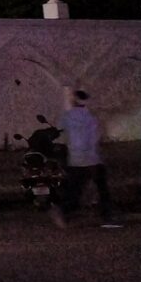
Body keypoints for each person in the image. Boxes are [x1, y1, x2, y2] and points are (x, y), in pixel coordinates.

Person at [52, 89, 119, 228]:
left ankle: (63, 210)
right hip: (93, 158)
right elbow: (98, 137)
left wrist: (61, 158)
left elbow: (59, 138)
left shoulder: (66, 117)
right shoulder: (93, 117)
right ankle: (107, 215)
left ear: (73, 101)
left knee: (76, 189)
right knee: (101, 188)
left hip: (76, 158)